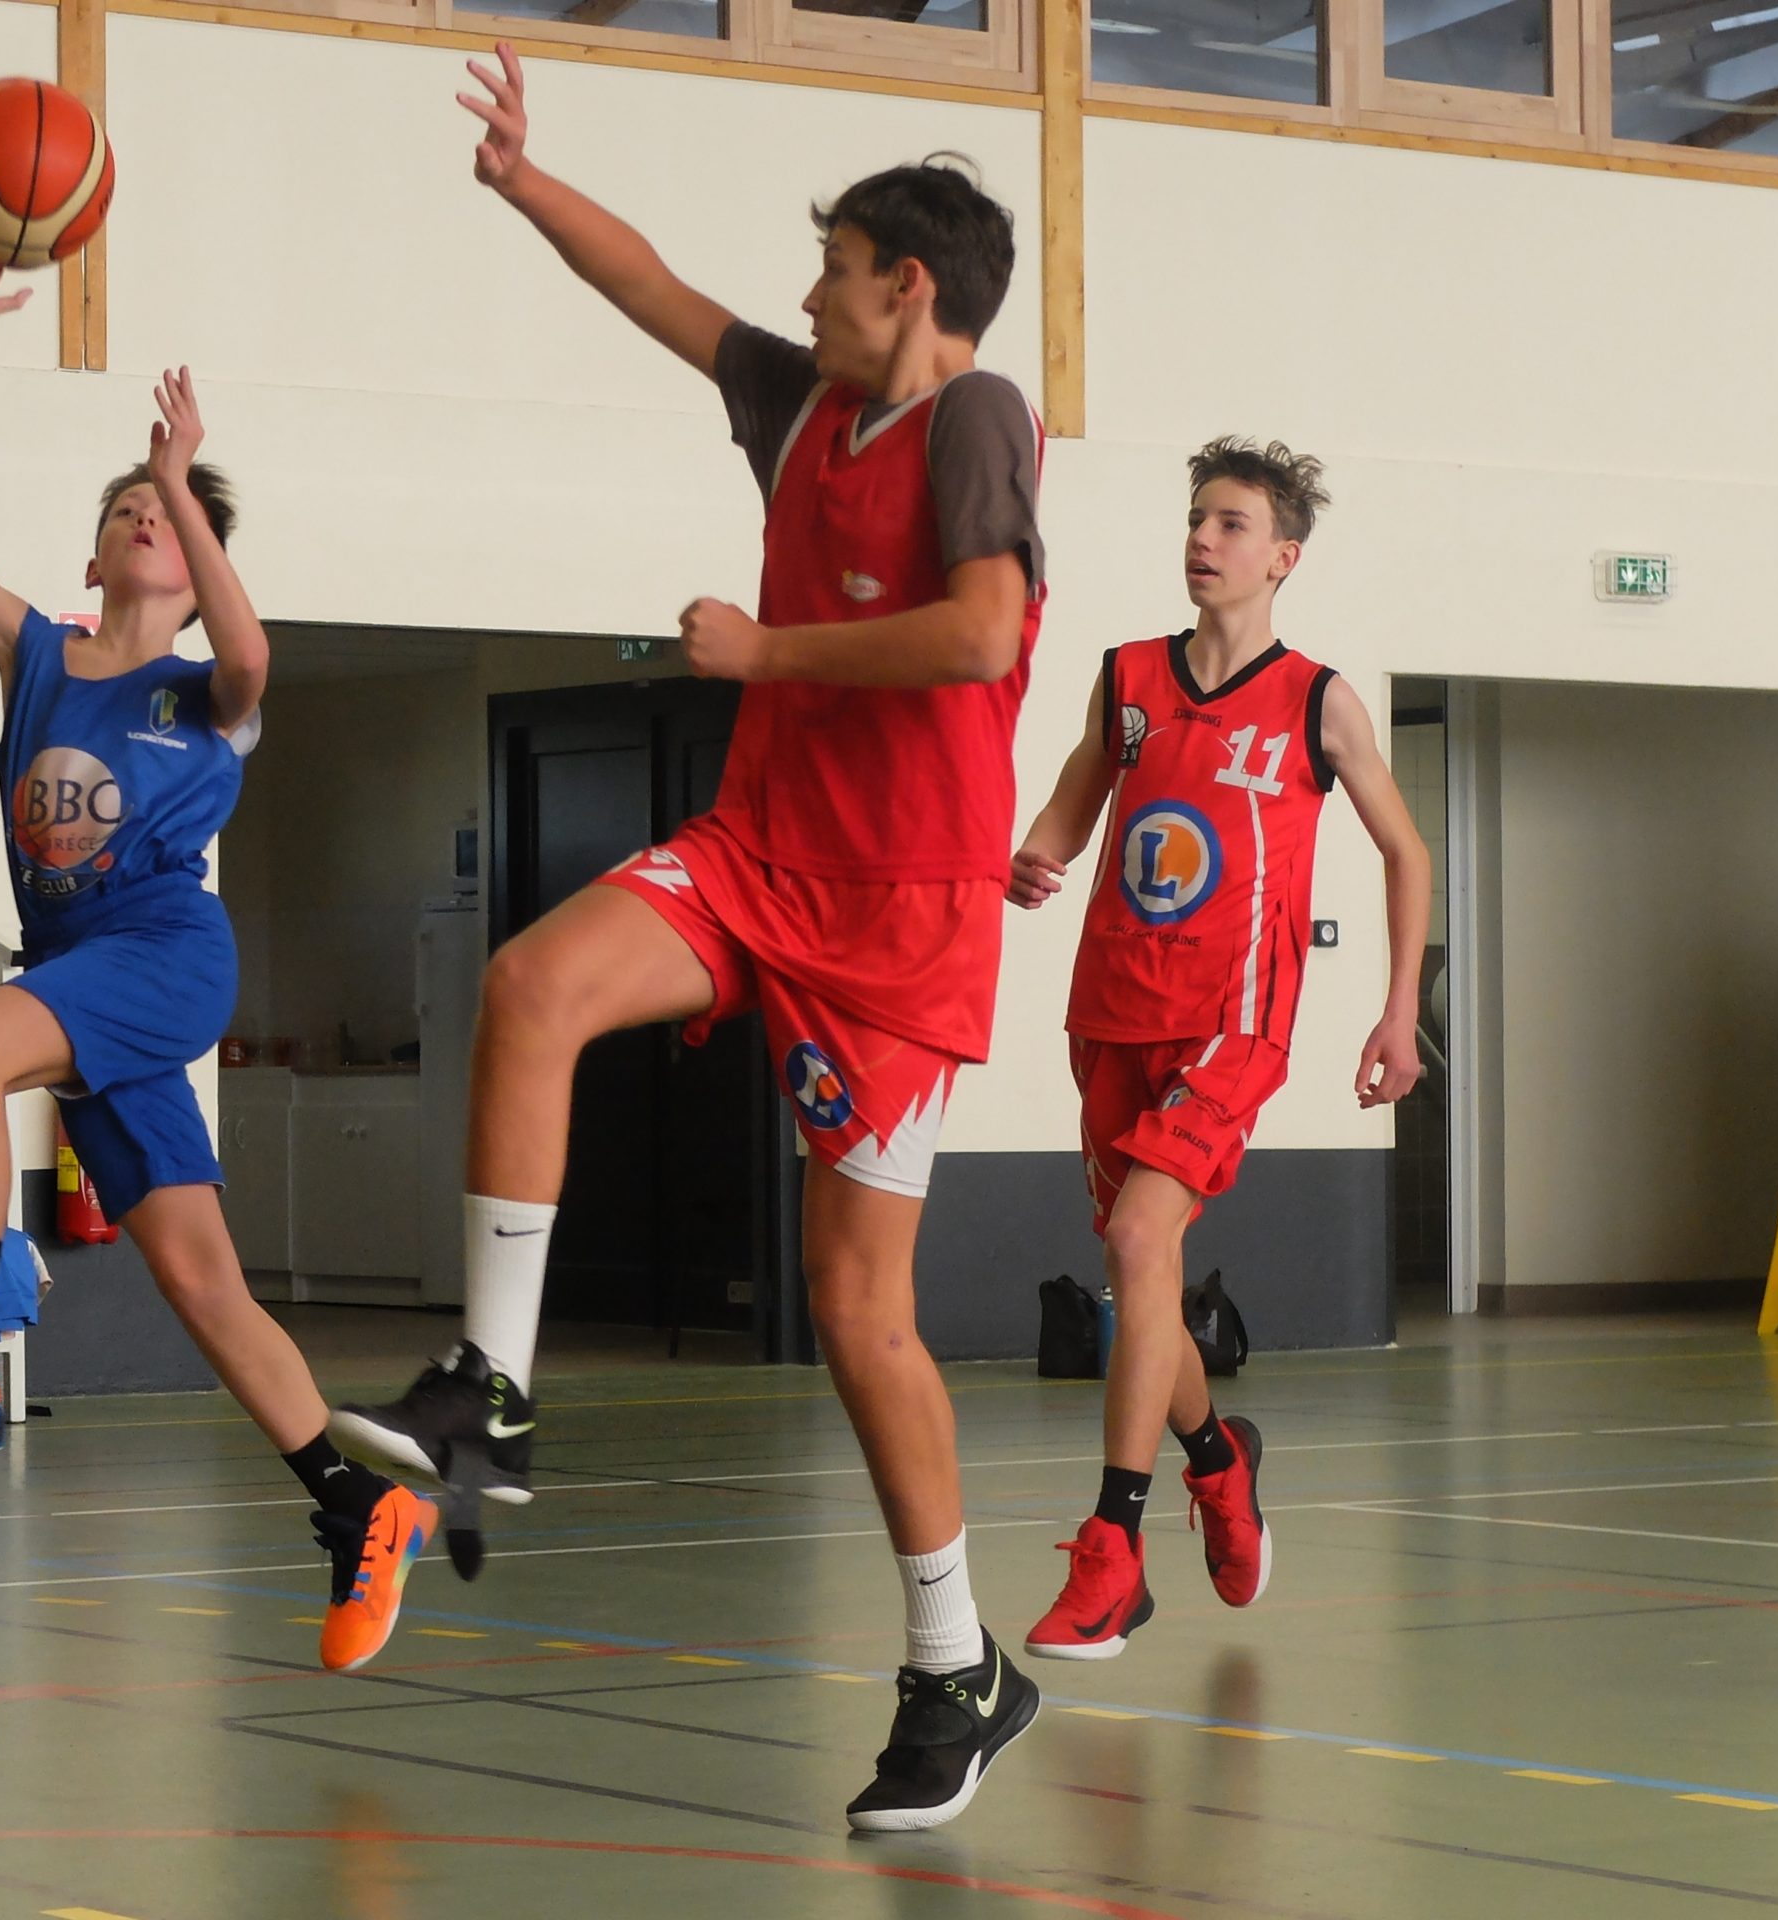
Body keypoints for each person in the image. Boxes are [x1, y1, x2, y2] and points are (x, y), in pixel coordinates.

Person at [331, 46, 1045, 1832]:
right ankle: (492, 1392)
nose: (806, 295)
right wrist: (522, 181)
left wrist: (768, 654)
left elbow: (981, 634)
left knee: (859, 1312)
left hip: (902, 913)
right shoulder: (802, 405)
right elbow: (653, 287)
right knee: (531, 984)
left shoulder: (976, 416)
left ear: (911, 287)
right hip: (756, 855)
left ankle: (955, 1663)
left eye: (834, 268)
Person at [0, 238, 430, 1677]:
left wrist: (185, 480)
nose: (147, 516)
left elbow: (256, 654)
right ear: (93, 558)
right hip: (78, 970)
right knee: (203, 1284)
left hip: (160, 954)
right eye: (127, 509)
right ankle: (358, 1504)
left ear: (195, 564)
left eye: (168, 513)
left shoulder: (207, 692)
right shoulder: (38, 654)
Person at [1006, 437, 1428, 1660]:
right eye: (1197, 518)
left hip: (1231, 1025)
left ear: (1282, 557)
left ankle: (1112, 1549)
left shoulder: (1316, 701)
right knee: (1141, 1282)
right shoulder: (1127, 676)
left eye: (1231, 523)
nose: (1203, 538)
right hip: (1108, 1015)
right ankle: (1216, 1455)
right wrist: (1033, 855)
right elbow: (1070, 806)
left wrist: (1397, 1008)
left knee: (1142, 1246)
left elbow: (1406, 852)